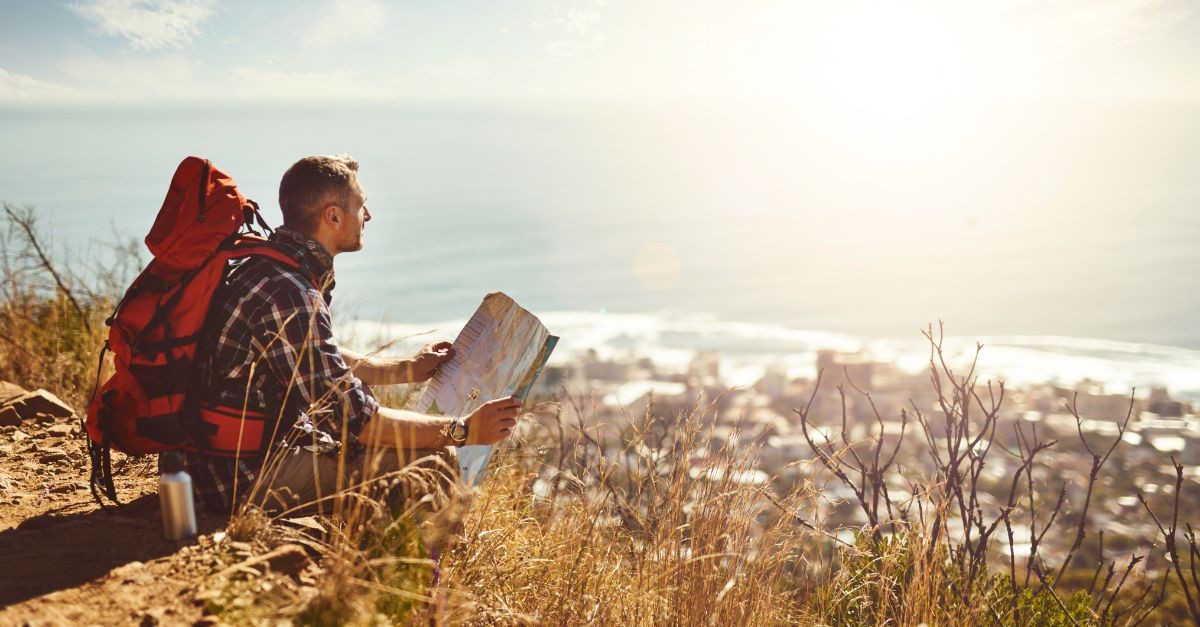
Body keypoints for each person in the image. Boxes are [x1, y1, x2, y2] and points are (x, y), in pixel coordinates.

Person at [185, 154, 522, 515]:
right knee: (434, 460)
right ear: (333, 217)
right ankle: (411, 555)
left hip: (213, 461)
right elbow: (357, 422)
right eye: (361, 205)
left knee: (383, 418)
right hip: (240, 479)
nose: (368, 215)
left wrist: (405, 368)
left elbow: (314, 357)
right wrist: (463, 430)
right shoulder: (291, 295)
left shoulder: (269, 266)